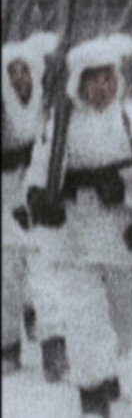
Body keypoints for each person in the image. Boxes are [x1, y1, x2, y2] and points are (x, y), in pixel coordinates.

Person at [21, 33, 132, 416]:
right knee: (84, 316)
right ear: (78, 82)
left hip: (123, 237)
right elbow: (38, 172)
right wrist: (40, 200)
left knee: (121, 318)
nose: (101, 86)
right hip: (76, 237)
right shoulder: (59, 128)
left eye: (107, 77)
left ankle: (105, 365)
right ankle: (92, 389)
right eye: (92, 78)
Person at [2, 37, 47, 374]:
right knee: (7, 273)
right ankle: (7, 344)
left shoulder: (47, 106)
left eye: (25, 71)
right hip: (5, 195)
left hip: (37, 194)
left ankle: (48, 333)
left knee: (43, 268)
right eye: (12, 72)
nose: (20, 78)